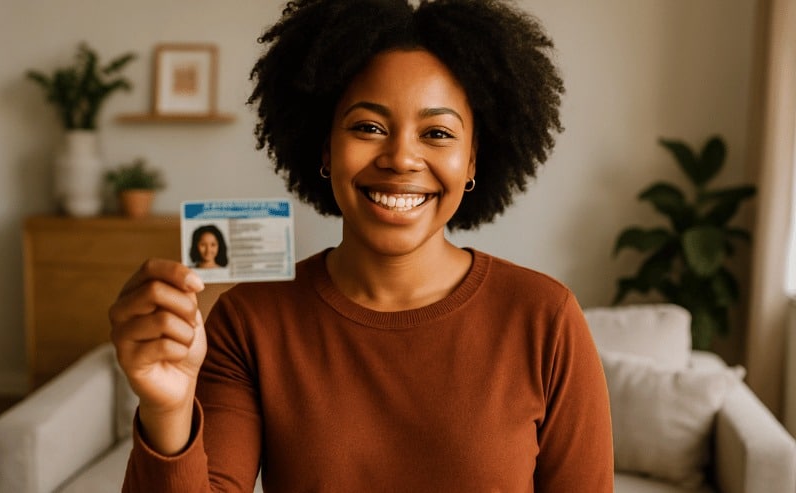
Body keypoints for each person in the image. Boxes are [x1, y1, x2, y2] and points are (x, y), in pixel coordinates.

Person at [109, 0, 614, 491]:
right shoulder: (250, 320)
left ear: (474, 161)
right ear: (326, 148)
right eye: (368, 127)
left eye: (437, 132)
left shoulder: (546, 319)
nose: (401, 158)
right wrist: (168, 410)